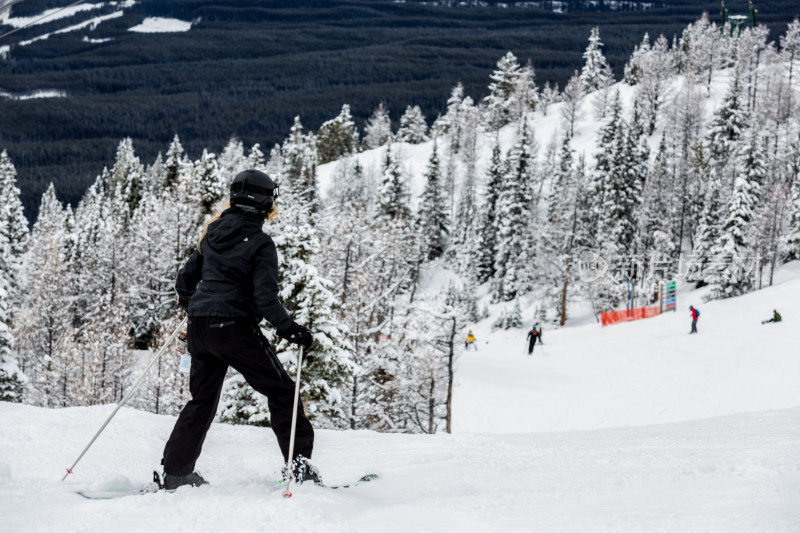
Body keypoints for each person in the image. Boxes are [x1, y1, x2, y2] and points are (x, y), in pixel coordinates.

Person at [161, 170, 319, 491]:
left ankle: (176, 473)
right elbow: (265, 298)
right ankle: (299, 471)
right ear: (264, 203)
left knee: (201, 400)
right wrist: (292, 330)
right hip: (234, 328)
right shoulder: (261, 243)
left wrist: (198, 308)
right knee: (283, 392)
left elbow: (184, 282)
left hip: (200, 329)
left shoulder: (211, 234)